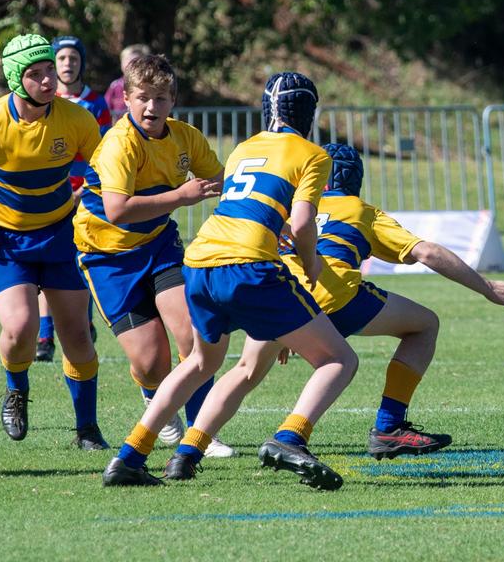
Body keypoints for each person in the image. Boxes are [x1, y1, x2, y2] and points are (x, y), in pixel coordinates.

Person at [164, 142, 504, 478]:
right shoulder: (361, 210)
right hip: (335, 296)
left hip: (276, 293)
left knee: (244, 371)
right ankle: (386, 427)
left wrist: (289, 324)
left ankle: (187, 453)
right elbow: (427, 252)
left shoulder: (288, 208)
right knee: (424, 325)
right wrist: (488, 288)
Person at [102, 72, 359, 489]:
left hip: (201, 262)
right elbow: (303, 220)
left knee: (201, 363)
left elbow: (248, 203)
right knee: (338, 359)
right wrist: (310, 262)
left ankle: (138, 455)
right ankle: (290, 437)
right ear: (311, 113)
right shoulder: (313, 154)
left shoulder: (245, 147)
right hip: (249, 265)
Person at [0, 33, 106, 449]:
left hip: (59, 235)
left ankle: (87, 429)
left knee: (77, 336)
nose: (48, 81)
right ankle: (16, 391)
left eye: (50, 70)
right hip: (3, 240)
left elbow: (106, 169)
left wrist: (93, 203)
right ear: (16, 79)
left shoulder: (77, 119)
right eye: (36, 74)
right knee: (21, 329)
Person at [73, 53, 233, 458]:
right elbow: (118, 210)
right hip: (108, 257)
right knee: (150, 362)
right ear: (125, 98)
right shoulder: (119, 144)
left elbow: (220, 182)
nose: (151, 107)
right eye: (143, 97)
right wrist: (181, 196)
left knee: (193, 333)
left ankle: (202, 431)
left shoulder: (185, 137)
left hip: (160, 244)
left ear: (172, 100)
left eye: (161, 98)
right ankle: (154, 398)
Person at [35, 35, 112, 362]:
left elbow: (105, 152)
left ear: (81, 63)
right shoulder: (42, 101)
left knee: (83, 259)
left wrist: (87, 190)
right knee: (48, 262)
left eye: (73, 58)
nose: (68, 64)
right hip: (52, 196)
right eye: (62, 58)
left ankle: (86, 323)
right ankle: (44, 334)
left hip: (87, 195)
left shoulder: (96, 103)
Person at [105, 43, 152, 121]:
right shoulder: (115, 85)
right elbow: (106, 107)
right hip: (120, 127)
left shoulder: (148, 85)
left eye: (134, 61)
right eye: (126, 60)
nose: (129, 64)